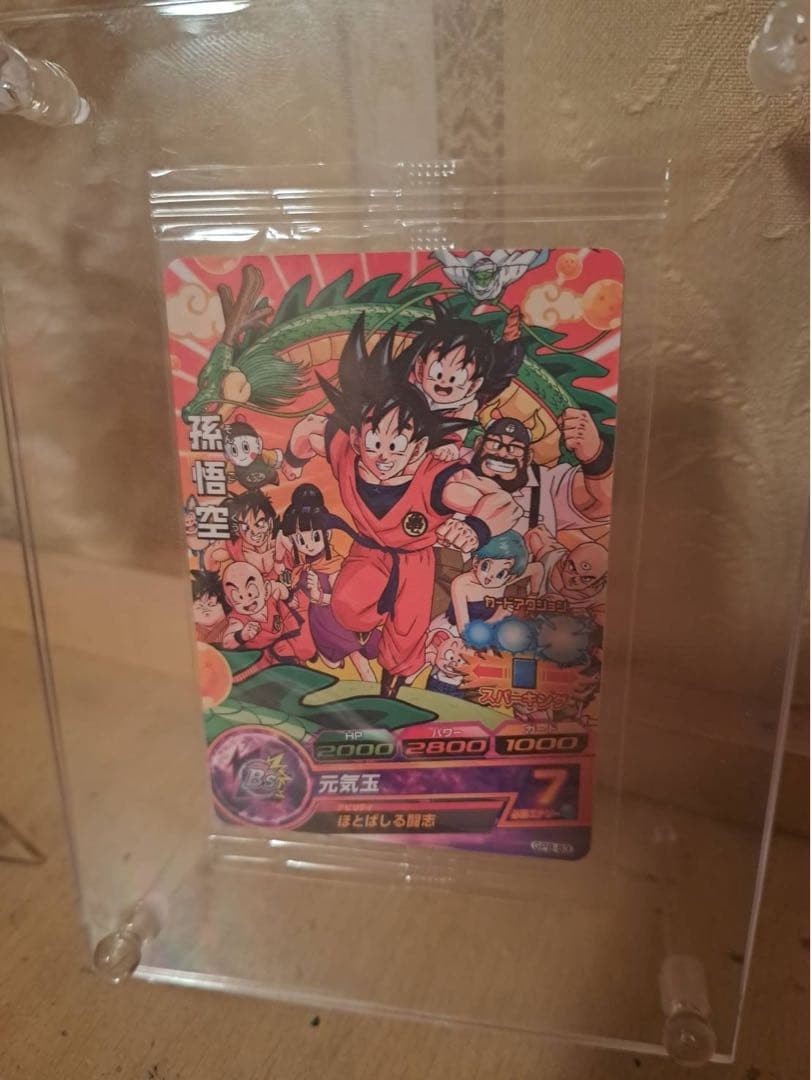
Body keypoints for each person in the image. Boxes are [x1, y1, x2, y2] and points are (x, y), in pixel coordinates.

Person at [279, 314, 521, 697]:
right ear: (357, 437)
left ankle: (392, 689)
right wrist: (291, 462)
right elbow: (308, 430)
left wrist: (476, 529)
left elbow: (504, 504)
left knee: (406, 635)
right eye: (375, 442)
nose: (384, 456)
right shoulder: (345, 451)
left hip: (415, 561)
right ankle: (367, 631)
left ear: (419, 446)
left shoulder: (437, 477)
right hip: (368, 551)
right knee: (346, 605)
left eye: (397, 445)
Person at [280, 484, 380, 682]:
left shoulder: (333, 565)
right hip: (317, 622)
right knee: (330, 663)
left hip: (339, 621)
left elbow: (342, 601)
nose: (308, 545)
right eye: (300, 540)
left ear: (327, 534)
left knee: (360, 662)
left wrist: (319, 596)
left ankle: (377, 692)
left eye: (315, 537)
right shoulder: (301, 564)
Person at [469, 415, 614, 535]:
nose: (502, 453)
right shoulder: (458, 463)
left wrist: (594, 456)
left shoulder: (546, 484)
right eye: (495, 444)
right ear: (478, 444)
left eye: (514, 448)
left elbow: (606, 501)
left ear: (528, 457)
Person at [395, 298, 523, 421]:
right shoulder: (402, 386)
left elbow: (497, 378)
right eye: (438, 373)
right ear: (420, 369)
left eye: (455, 378)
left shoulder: (466, 406)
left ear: (473, 386)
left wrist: (508, 342)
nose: (444, 382)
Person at [221, 560, 315, 663]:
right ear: (230, 601)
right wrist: (242, 635)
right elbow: (226, 643)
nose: (247, 601)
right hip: (262, 653)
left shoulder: (269, 597)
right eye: (239, 597)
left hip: (282, 637)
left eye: (251, 593)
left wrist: (289, 598)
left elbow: (279, 587)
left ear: (265, 589)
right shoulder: (238, 620)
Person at [448, 531, 528, 633]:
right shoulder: (462, 584)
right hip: (460, 630)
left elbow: (537, 568)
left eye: (500, 574)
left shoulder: (507, 580)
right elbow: (465, 633)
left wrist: (535, 593)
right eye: (485, 566)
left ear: (510, 578)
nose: (490, 577)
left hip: (493, 629)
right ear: (476, 562)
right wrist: (496, 618)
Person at [203, 490, 285, 578]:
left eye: (259, 524)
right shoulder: (237, 549)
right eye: (246, 527)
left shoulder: (283, 544)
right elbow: (210, 562)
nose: (254, 532)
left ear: (270, 523)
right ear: (238, 530)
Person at [190, 569, 230, 645]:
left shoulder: (232, 626)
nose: (205, 608)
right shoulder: (191, 630)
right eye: (199, 606)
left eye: (211, 604)